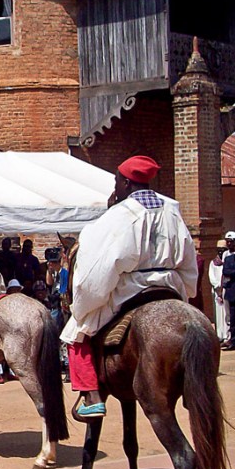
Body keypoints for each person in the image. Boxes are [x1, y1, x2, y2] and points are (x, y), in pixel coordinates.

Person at [60, 155, 198, 420]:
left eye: (116, 181)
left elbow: (99, 268)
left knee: (75, 333)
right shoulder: (171, 208)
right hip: (171, 284)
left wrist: (82, 305)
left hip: (131, 288)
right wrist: (186, 289)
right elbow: (189, 257)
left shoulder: (119, 215)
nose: (116, 187)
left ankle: (92, 397)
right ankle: (190, 386)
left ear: (124, 182)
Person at [208, 239, 230, 342]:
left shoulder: (228, 262)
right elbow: (211, 276)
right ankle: (219, 334)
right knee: (218, 314)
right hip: (217, 291)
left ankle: (226, 334)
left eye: (223, 250)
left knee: (226, 313)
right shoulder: (213, 263)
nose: (221, 252)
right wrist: (217, 286)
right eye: (219, 250)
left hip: (226, 289)